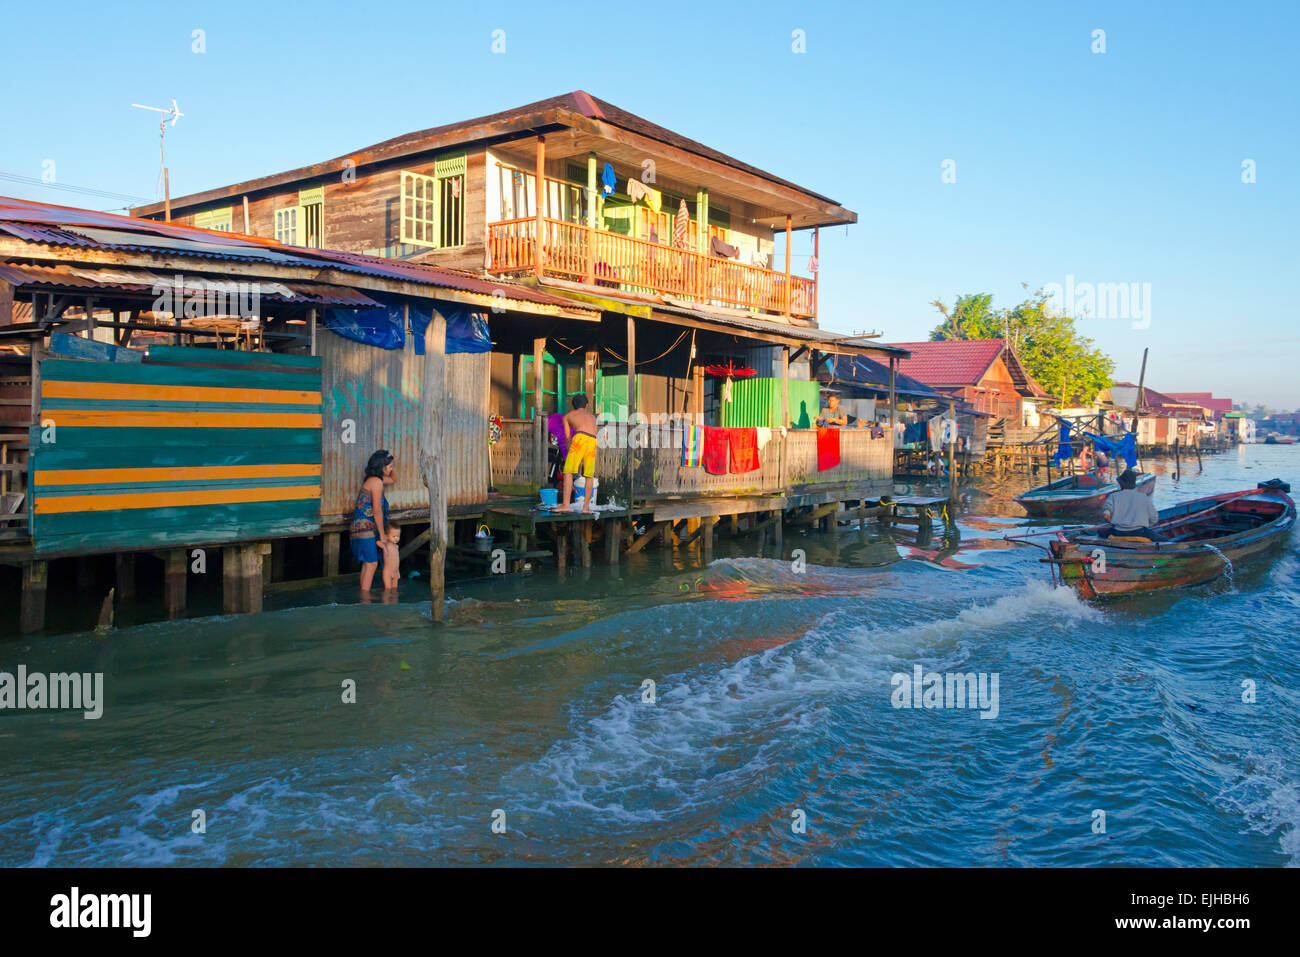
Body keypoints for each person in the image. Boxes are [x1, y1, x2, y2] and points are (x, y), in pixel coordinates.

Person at [350, 449, 397, 593]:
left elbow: (394, 479)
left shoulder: (375, 479)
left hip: (362, 528)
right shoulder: (376, 482)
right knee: (371, 564)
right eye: (389, 466)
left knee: (368, 564)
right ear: (382, 467)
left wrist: (389, 461)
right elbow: (377, 511)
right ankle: (364, 601)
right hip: (364, 528)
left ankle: (363, 597)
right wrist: (382, 535)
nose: (391, 468)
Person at [561, 396, 598, 513]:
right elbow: (594, 432)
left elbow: (567, 437)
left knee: (568, 472)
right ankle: (586, 508)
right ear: (586, 405)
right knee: (589, 475)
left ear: (573, 406)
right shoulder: (592, 417)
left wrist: (568, 452)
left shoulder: (568, 416)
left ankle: (566, 505)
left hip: (579, 439)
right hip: (593, 441)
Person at [1100, 469, 1159, 539]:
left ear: (1121, 484)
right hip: (1139, 532)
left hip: (1118, 532)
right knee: (1163, 540)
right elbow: (1154, 518)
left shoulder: (1113, 496)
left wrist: (1113, 524)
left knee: (1100, 531)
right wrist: (1146, 525)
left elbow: (1106, 516)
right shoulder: (1143, 497)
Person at [381, 526, 402, 591]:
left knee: (394, 590)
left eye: (398, 536)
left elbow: (397, 560)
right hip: (388, 573)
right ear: (387, 536)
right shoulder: (386, 545)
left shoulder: (396, 546)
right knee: (388, 590)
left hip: (395, 572)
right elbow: (377, 542)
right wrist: (384, 548)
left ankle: (394, 601)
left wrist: (398, 572)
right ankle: (386, 600)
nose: (396, 538)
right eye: (394, 536)